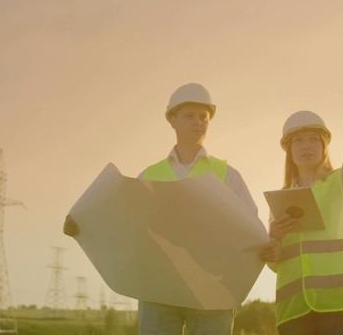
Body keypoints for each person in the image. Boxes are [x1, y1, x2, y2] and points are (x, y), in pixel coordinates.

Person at [63, 82, 258, 335]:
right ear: (172, 120)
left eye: (203, 117)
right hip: (158, 293)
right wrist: (83, 225)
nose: (198, 122)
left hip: (212, 295)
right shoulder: (150, 175)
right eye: (189, 116)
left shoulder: (228, 175)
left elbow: (251, 229)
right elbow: (124, 225)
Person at [258, 85, 343, 335]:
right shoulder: (279, 199)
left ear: (324, 146)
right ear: (289, 150)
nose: (305, 146)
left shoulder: (342, 182)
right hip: (295, 310)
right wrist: (273, 240)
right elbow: (276, 264)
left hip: (342, 304)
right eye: (297, 140)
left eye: (313, 139)